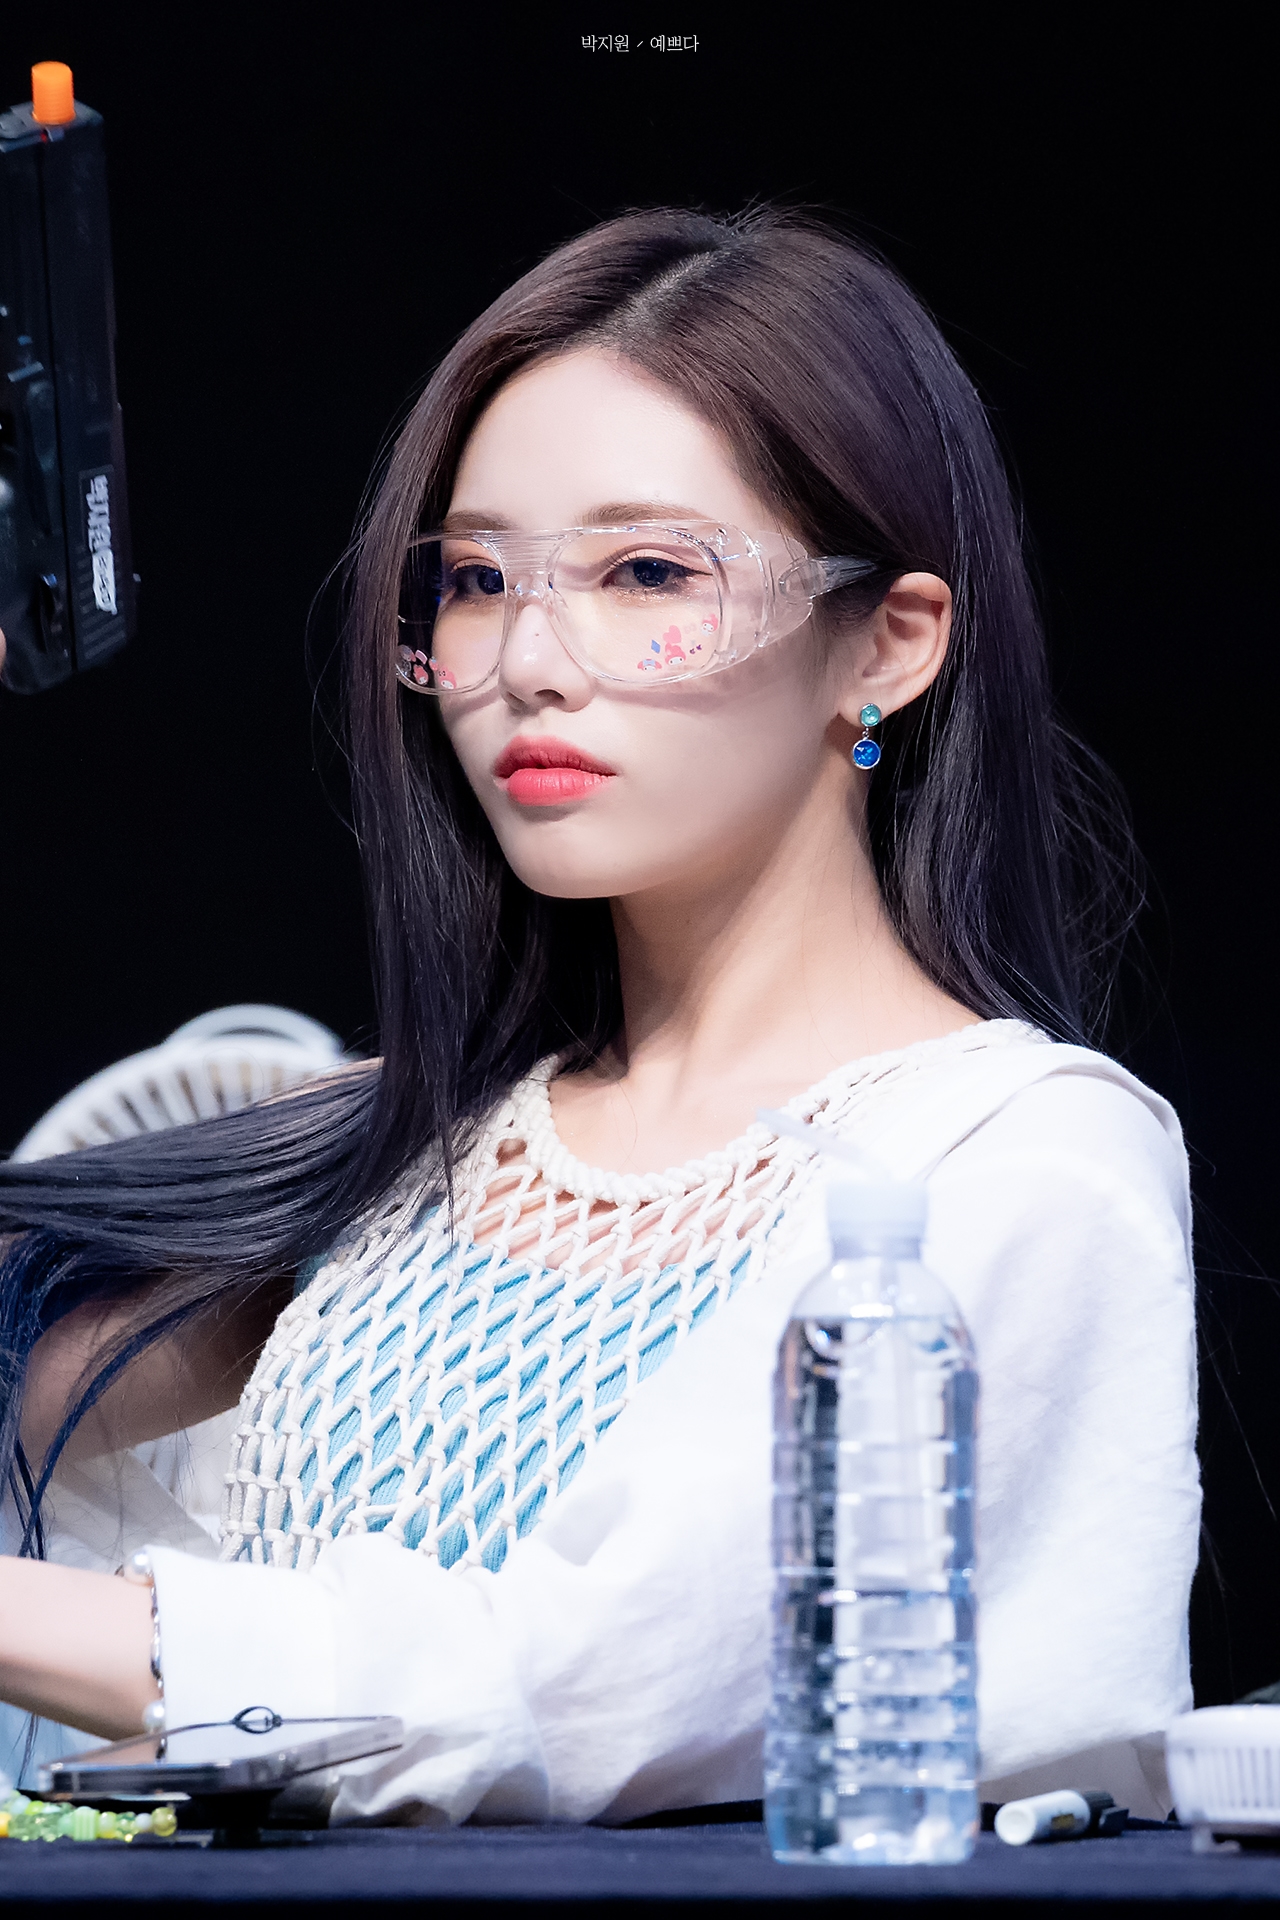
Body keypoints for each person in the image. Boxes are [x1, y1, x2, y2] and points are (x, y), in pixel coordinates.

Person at [0, 207, 1198, 1823]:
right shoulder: (400, 1143)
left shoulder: (1020, 1163)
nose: (529, 661)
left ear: (888, 644)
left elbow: (561, 1684)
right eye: (476, 580)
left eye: (646, 573)